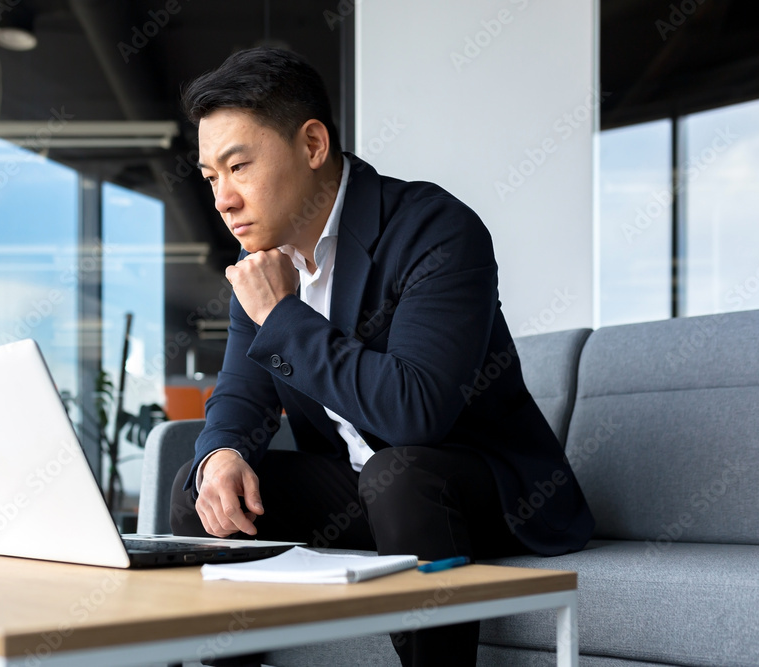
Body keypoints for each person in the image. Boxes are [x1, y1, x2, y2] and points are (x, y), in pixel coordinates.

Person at [169, 47, 595, 667]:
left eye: (239, 168)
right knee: (201, 490)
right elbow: (241, 395)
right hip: (363, 491)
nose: (223, 200)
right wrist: (224, 455)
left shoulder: (436, 231)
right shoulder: (261, 267)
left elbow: (415, 412)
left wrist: (285, 316)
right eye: (211, 178)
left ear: (312, 145)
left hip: (480, 491)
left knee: (401, 475)